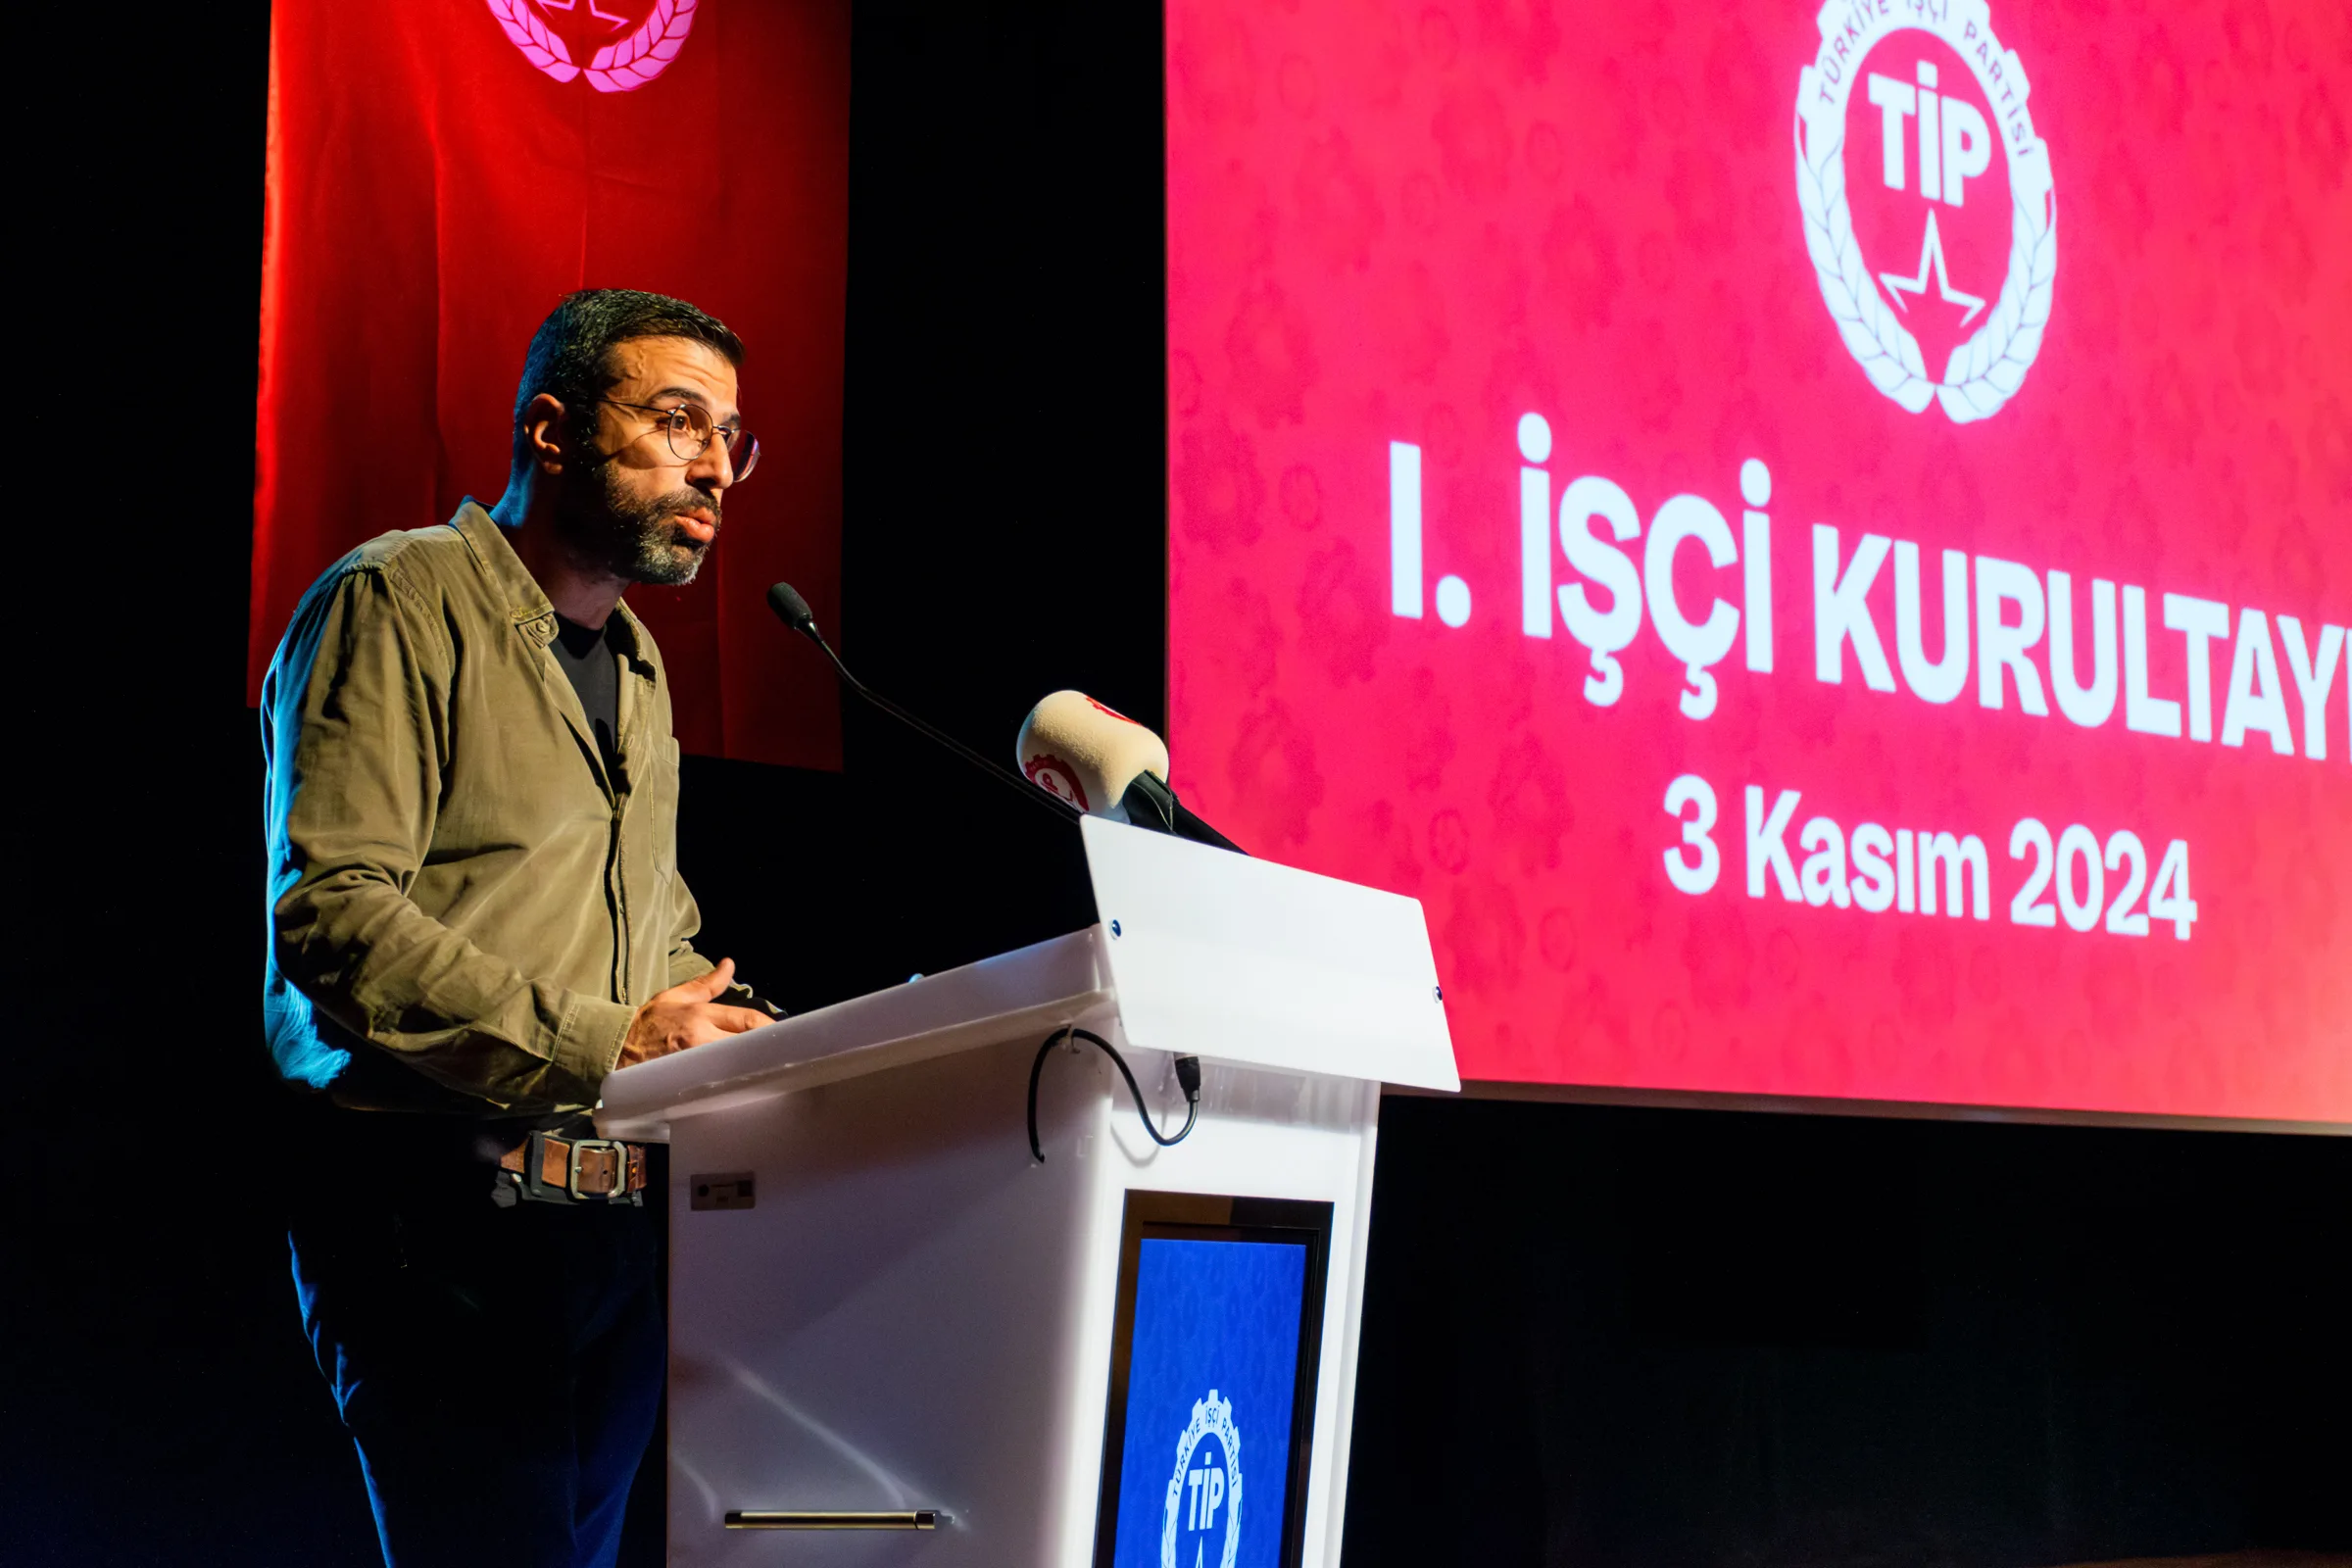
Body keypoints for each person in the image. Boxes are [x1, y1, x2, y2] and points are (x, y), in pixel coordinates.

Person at [260, 288, 779, 1567]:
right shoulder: (395, 598)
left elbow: (650, 936)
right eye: (678, 422)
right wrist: (615, 1040)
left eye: (730, 438)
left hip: (604, 1222)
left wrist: (757, 1036)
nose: (716, 467)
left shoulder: (640, 665)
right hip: (436, 1216)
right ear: (552, 431)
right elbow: (333, 917)